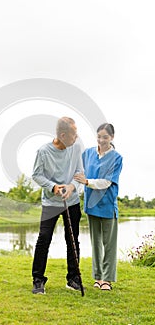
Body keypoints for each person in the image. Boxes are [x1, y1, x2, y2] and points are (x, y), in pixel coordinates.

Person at [31, 116, 84, 294]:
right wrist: (53, 187)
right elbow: (37, 175)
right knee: (44, 238)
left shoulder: (76, 147)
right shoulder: (43, 151)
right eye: (74, 134)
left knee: (72, 240)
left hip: (72, 201)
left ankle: (73, 279)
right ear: (62, 135)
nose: (77, 137)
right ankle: (38, 280)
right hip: (51, 202)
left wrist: (71, 187)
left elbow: (79, 172)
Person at [74, 123, 123, 291]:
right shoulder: (87, 154)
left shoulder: (117, 158)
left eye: (105, 137)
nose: (101, 140)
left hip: (108, 205)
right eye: (99, 136)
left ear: (112, 138)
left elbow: (107, 182)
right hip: (91, 204)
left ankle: (107, 279)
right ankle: (97, 277)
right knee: (95, 243)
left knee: (109, 244)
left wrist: (87, 181)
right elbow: (78, 172)